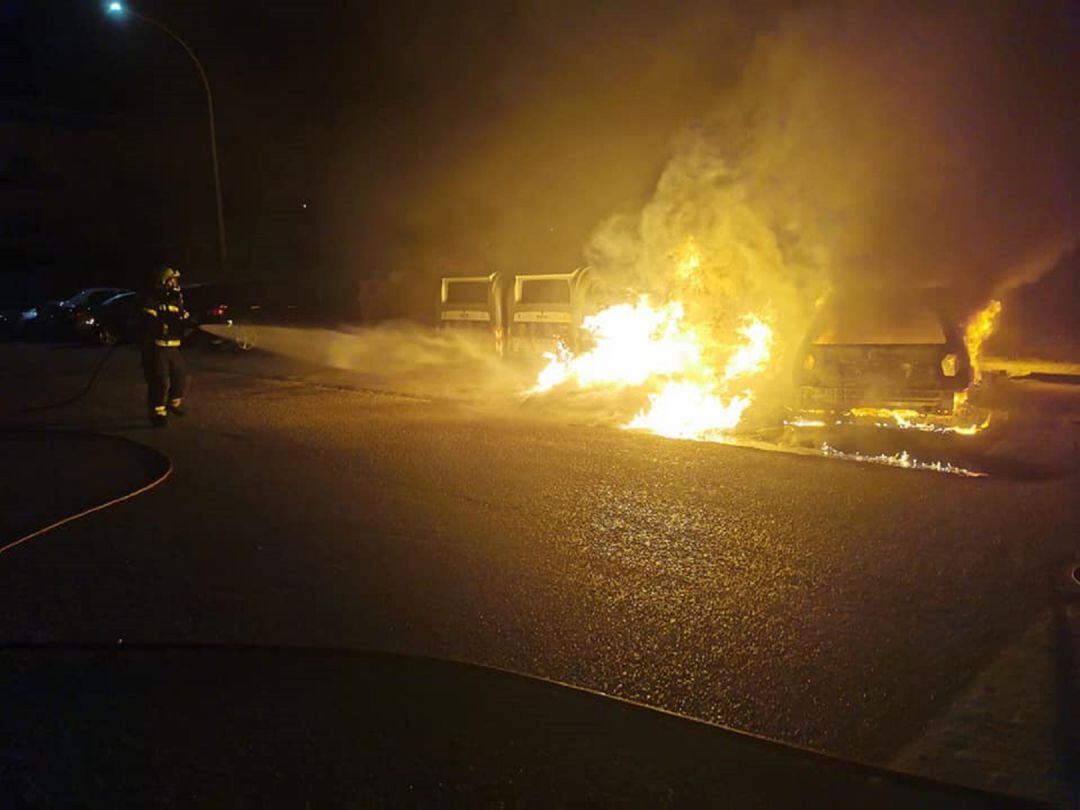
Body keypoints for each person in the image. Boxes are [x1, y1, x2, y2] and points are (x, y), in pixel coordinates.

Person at [139, 266, 191, 427]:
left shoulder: (177, 299)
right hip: (156, 347)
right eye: (172, 280)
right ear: (163, 282)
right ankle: (157, 413)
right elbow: (148, 322)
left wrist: (188, 323)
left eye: (176, 280)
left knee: (180, 376)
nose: (175, 283)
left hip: (173, 346)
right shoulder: (151, 299)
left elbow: (182, 317)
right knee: (159, 380)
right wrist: (166, 323)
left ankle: (172, 405)